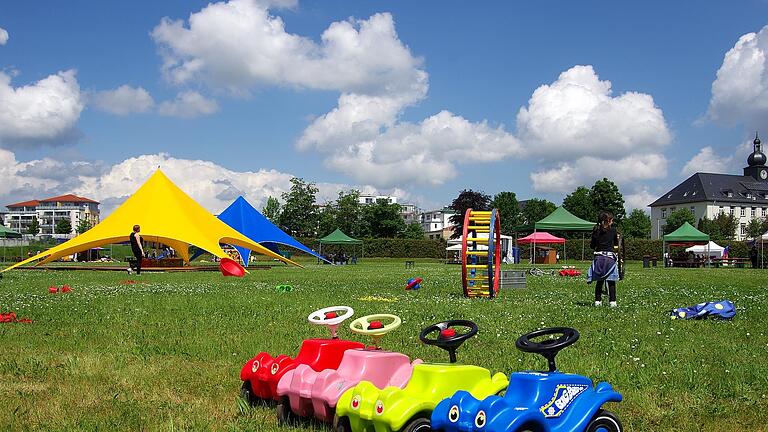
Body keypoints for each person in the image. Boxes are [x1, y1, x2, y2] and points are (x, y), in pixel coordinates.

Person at [587, 211, 620, 307]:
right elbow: (615, 244)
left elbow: (592, 246)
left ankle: (598, 301)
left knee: (599, 280)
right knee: (611, 281)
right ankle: (612, 302)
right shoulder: (613, 230)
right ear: (608, 221)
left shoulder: (596, 231)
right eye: (611, 220)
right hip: (610, 258)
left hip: (599, 258)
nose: (612, 222)